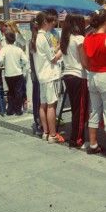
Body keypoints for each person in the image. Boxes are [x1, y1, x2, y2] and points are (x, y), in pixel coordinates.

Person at [32, 11, 64, 144]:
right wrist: (62, 48)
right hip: (50, 75)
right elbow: (53, 59)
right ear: (45, 22)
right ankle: (52, 134)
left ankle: (46, 132)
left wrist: (56, 48)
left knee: (43, 105)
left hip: (42, 76)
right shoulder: (43, 37)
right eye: (52, 22)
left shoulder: (36, 37)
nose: (54, 24)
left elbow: (47, 54)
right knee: (51, 106)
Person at [60, 14, 89, 148]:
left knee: (75, 108)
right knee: (81, 109)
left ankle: (75, 137)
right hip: (79, 76)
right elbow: (84, 62)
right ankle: (77, 139)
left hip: (67, 75)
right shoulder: (79, 39)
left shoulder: (65, 38)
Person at [83, 9, 106, 154]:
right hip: (104, 75)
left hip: (92, 75)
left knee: (95, 111)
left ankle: (92, 144)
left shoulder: (88, 38)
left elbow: (84, 62)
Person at [0, 31, 28, 116]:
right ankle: (18, 110)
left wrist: (2, 64)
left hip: (8, 74)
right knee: (18, 92)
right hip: (18, 73)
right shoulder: (18, 49)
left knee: (10, 91)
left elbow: (0, 60)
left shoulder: (3, 49)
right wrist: (20, 65)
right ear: (14, 40)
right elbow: (26, 60)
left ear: (6, 40)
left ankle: (10, 110)